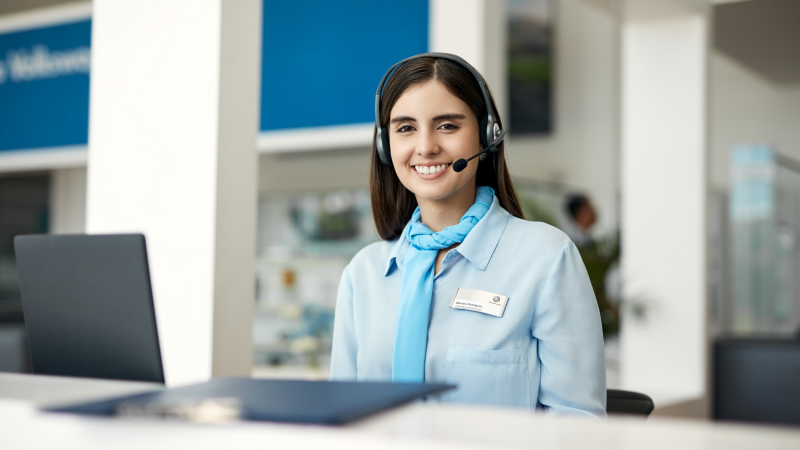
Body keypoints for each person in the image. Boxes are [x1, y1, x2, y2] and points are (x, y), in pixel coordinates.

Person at [330, 53, 605, 418]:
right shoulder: (363, 274)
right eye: (406, 128)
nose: (426, 147)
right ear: (385, 146)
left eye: (447, 126)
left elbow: (577, 425)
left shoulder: (546, 258)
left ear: (487, 134)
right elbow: (339, 420)